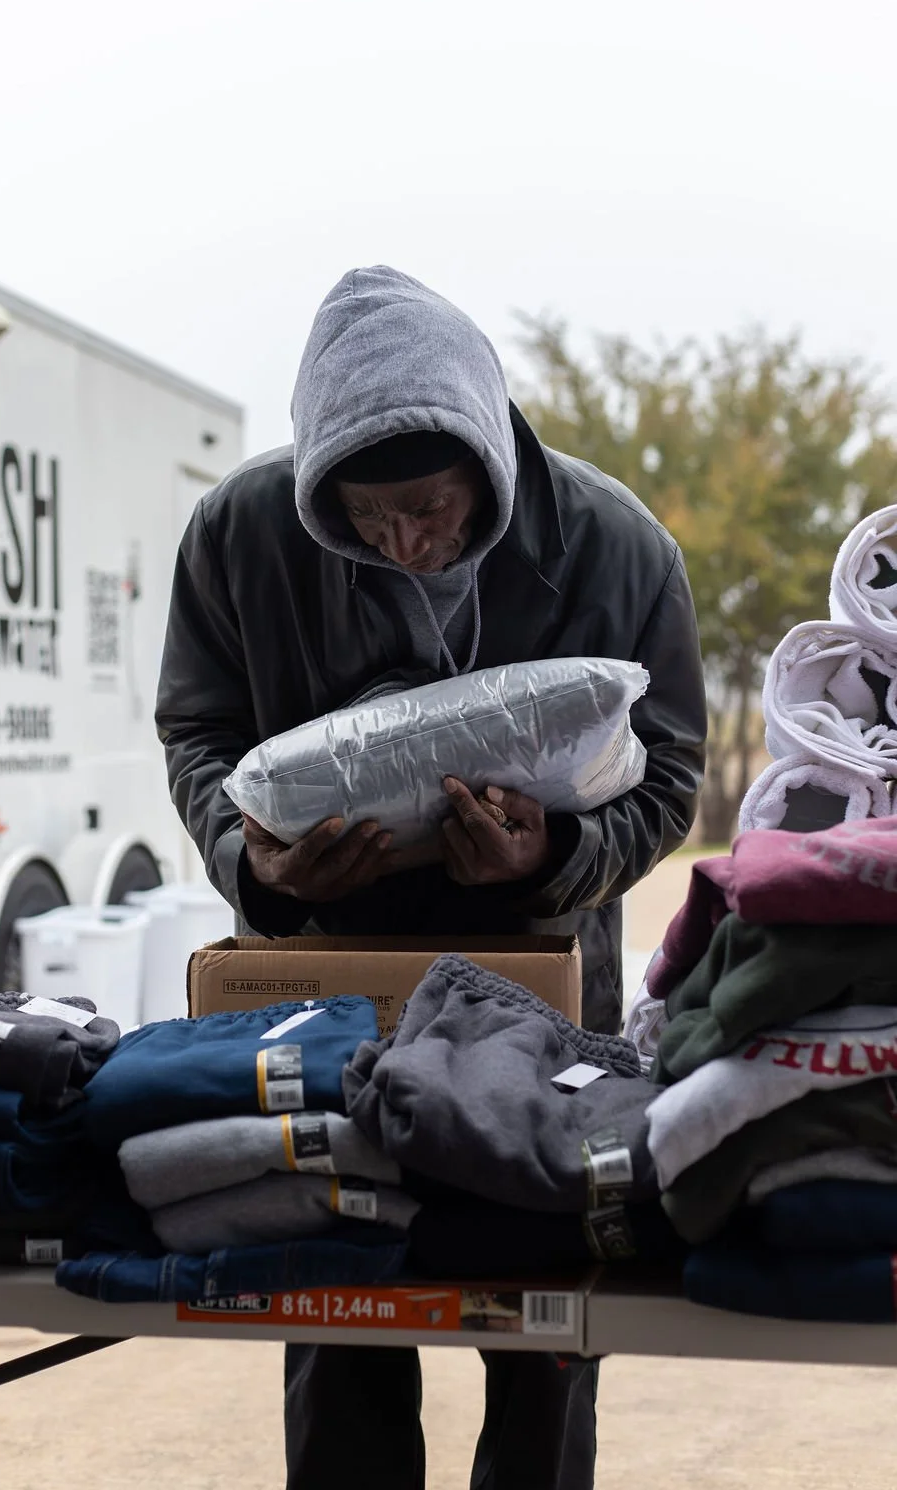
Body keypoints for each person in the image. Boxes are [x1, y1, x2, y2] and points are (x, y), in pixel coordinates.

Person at [156, 265, 707, 1490]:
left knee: (547, 1319)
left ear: (488, 461)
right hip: (328, 973)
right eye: (364, 516)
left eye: (428, 505)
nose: (404, 541)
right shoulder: (240, 535)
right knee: (338, 1295)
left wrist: (555, 856)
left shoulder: (617, 547)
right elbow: (195, 731)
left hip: (542, 978)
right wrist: (255, 863)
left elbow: (669, 778)